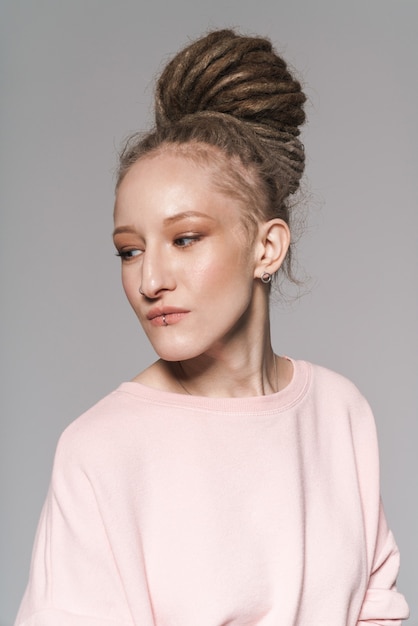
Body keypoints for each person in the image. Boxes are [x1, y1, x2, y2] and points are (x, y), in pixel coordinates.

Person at [15, 29, 409, 626]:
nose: (150, 279)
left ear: (267, 247)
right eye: (129, 250)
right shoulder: (101, 450)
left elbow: (378, 607)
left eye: (185, 238)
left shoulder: (341, 413)